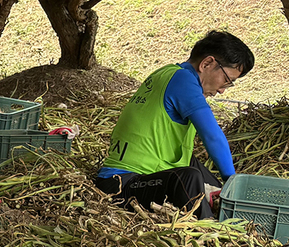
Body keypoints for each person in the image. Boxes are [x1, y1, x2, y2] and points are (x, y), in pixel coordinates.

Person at [95, 31, 254, 219]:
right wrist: (232, 182)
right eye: (227, 80)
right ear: (207, 64)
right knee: (188, 178)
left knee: (194, 167)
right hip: (122, 185)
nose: (222, 89)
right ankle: (213, 233)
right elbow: (212, 136)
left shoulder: (167, 73)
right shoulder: (183, 81)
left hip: (146, 177)